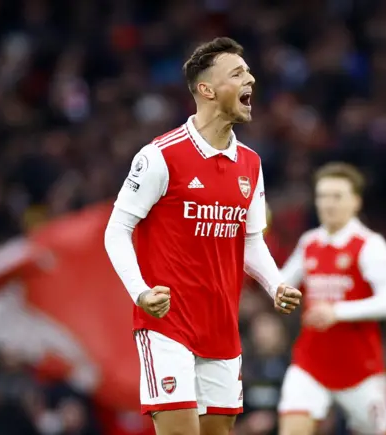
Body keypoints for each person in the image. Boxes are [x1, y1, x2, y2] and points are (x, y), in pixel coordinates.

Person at [104, 37, 302, 435]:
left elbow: (250, 239)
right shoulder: (159, 156)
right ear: (206, 90)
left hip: (222, 327)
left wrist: (276, 283)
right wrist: (140, 292)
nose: (251, 78)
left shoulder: (251, 162)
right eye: (238, 73)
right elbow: (116, 230)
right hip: (168, 325)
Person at [277, 163, 386, 435]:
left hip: (360, 371)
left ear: (356, 201)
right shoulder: (309, 242)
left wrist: (337, 312)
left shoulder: (369, 245)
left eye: (337, 196)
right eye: (322, 196)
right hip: (310, 364)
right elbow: (280, 284)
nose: (328, 203)